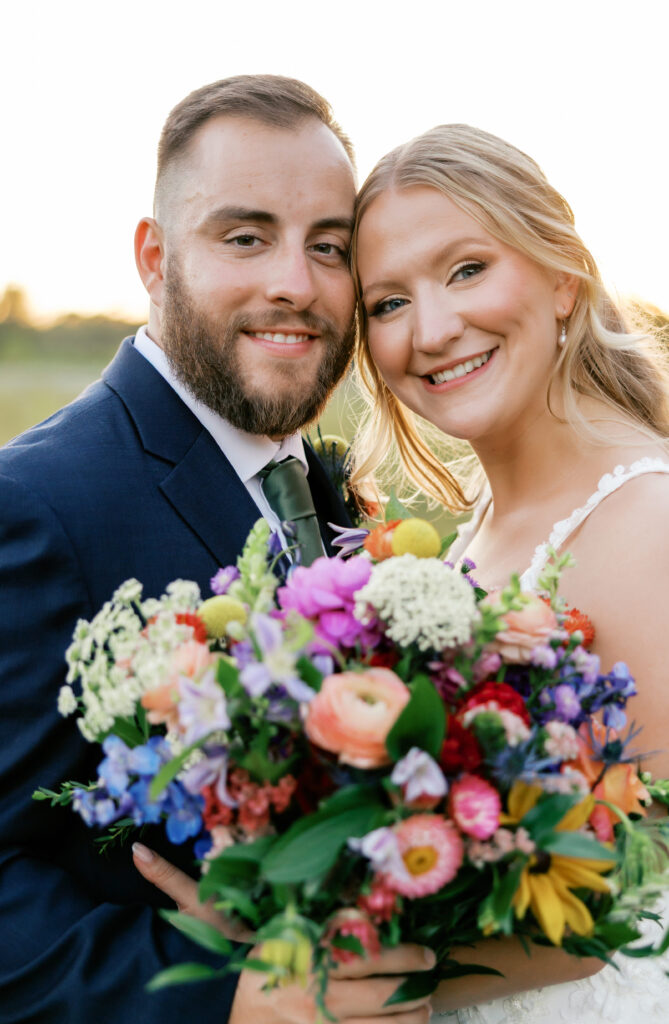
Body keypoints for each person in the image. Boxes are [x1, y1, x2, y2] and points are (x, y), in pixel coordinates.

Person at [0, 75, 434, 1024]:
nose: (296, 281)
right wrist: (230, 999)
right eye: (245, 237)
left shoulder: (311, 486)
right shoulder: (30, 506)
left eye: (328, 246)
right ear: (155, 258)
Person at [350, 122, 669, 1022]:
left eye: (465, 269)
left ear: (562, 276)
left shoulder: (649, 524)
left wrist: (343, 978)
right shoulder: (477, 534)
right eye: (387, 304)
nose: (434, 328)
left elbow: (621, 901)